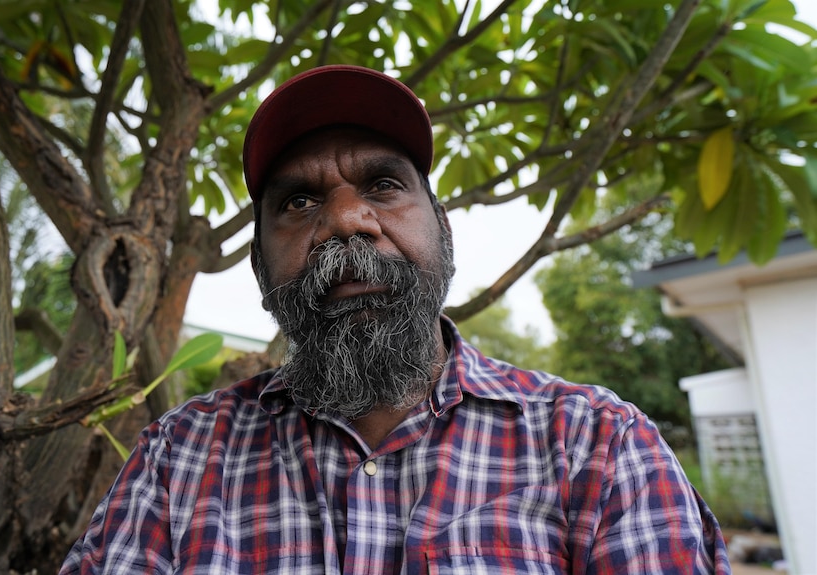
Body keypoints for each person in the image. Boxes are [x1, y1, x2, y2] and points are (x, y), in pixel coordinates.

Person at [59, 65, 731, 574]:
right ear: (262, 270)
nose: (346, 220)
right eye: (298, 201)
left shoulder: (600, 446)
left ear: (443, 231)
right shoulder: (176, 461)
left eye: (383, 185)